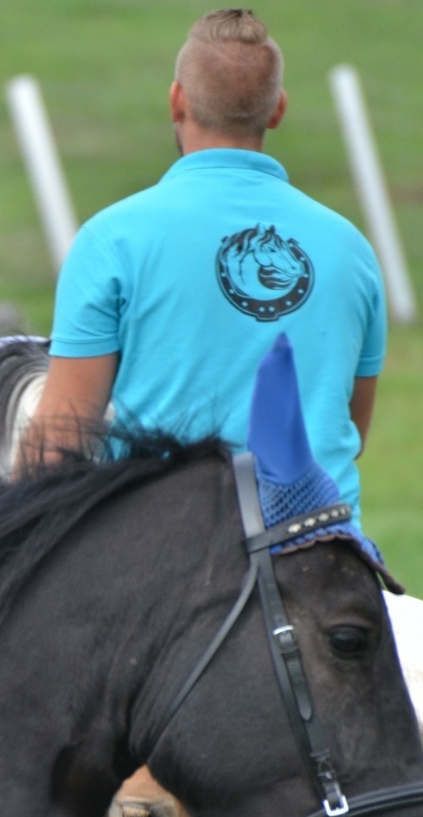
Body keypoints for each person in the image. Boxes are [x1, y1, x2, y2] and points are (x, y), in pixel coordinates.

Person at [30, 8, 387, 528]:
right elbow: (348, 427)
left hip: (163, 552)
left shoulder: (111, 239)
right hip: (325, 556)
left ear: (177, 100)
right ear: (277, 109)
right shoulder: (351, 249)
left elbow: (58, 443)